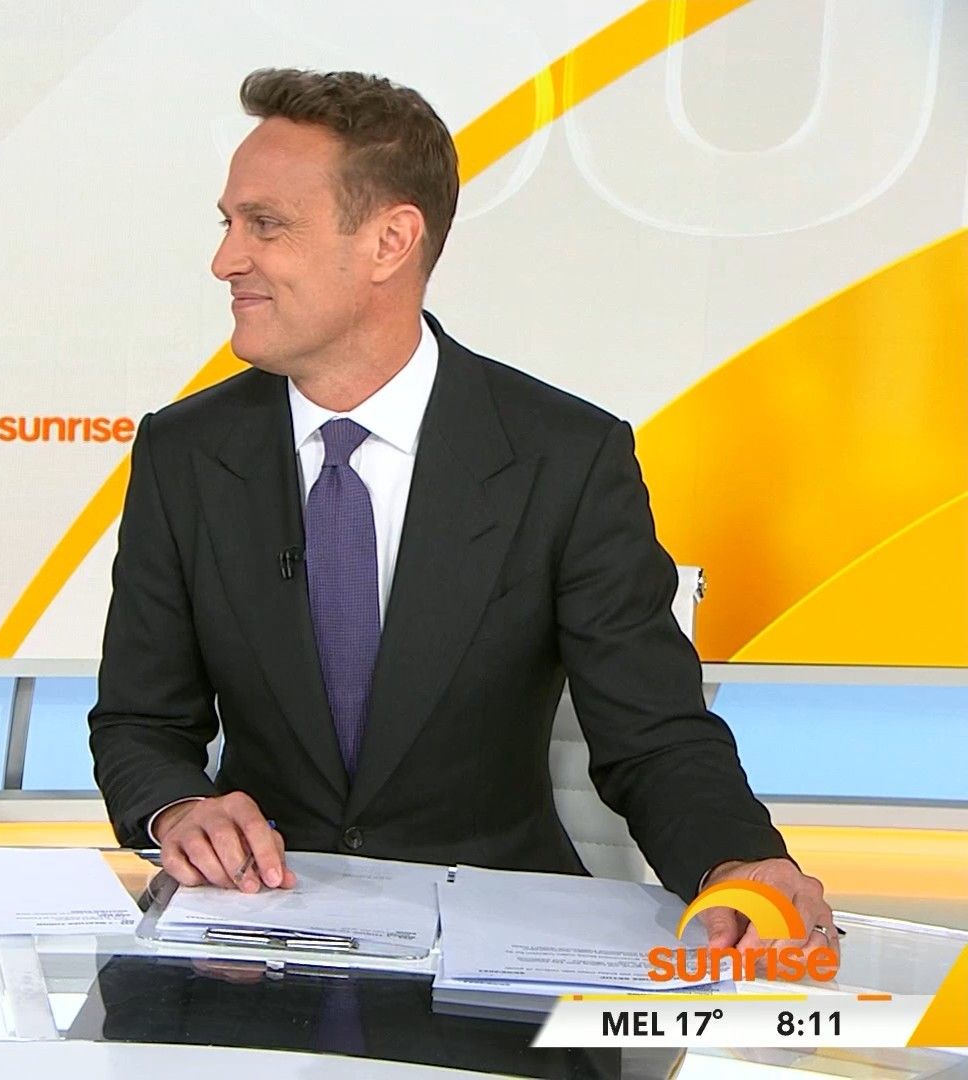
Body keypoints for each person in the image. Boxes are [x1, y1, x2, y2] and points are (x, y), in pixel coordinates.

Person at [88, 69, 836, 963]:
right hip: (256, 938)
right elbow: (139, 722)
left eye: (266, 224)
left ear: (390, 241)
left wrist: (738, 861)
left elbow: (653, 735)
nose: (226, 261)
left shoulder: (564, 458)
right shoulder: (184, 452)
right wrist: (179, 806)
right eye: (229, 223)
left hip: (497, 945)